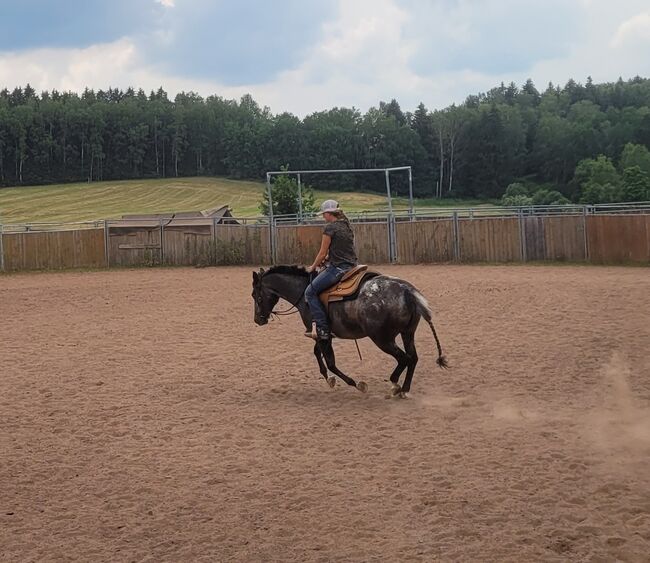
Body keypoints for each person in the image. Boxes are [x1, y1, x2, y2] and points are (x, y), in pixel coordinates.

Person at [304, 200, 358, 341]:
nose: (323, 217)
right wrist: (328, 257)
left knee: (310, 292)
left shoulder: (330, 229)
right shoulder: (347, 226)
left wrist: (313, 266)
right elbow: (342, 249)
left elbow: (322, 253)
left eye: (324, 214)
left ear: (329, 213)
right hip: (353, 267)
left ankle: (322, 328)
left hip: (338, 268)